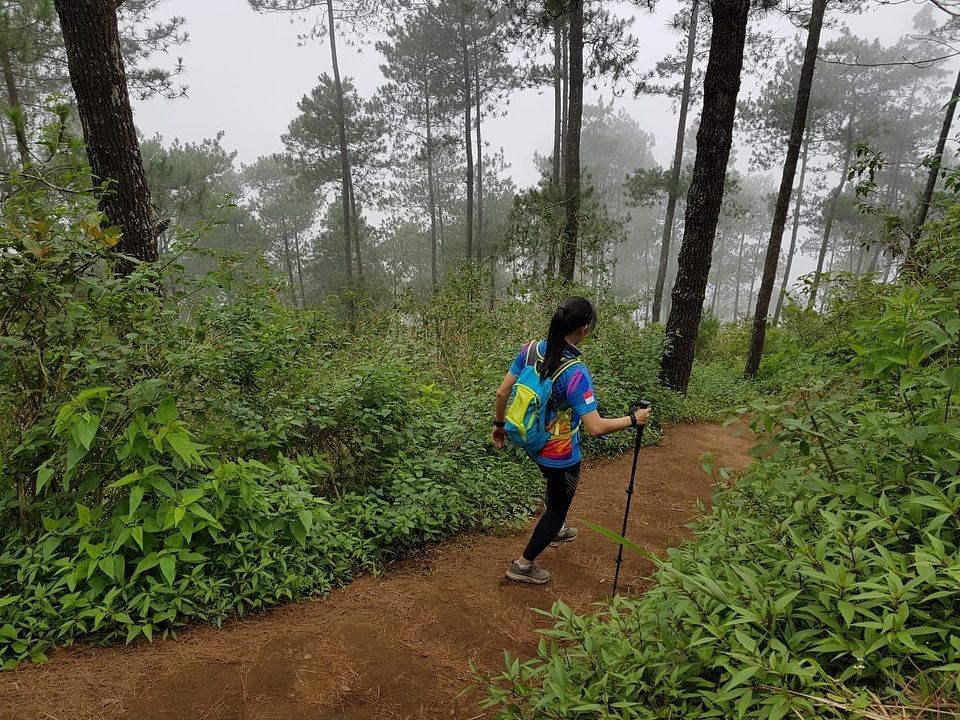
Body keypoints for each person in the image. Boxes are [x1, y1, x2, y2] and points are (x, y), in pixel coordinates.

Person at [492, 296, 652, 585]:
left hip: (529, 439)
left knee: (553, 486)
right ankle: (523, 565)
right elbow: (596, 427)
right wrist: (633, 420)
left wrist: (499, 425)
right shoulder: (575, 372)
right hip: (560, 454)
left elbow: (502, 394)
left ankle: (558, 527)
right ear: (584, 329)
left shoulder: (530, 350)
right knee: (557, 506)